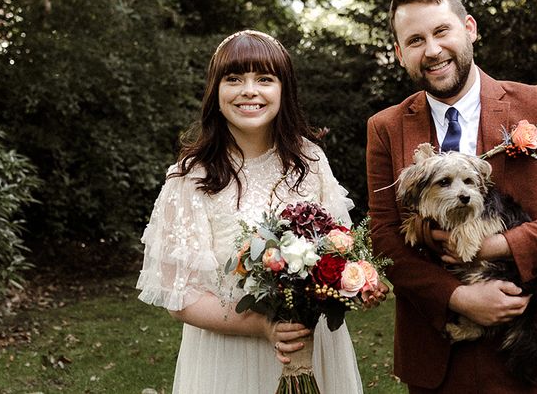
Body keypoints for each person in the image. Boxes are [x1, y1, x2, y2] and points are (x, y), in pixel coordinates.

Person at [366, 0, 537, 394]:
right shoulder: (385, 128)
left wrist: (498, 247)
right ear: (399, 54)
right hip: (440, 345)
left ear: (470, 28)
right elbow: (385, 239)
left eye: (441, 31)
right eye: (414, 40)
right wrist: (458, 298)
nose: (431, 50)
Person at [137, 30, 374, 394]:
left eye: (264, 79)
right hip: (227, 356)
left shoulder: (310, 162)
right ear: (215, 93)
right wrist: (262, 327)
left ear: (284, 90)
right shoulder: (190, 177)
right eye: (234, 79)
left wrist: (353, 285)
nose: (250, 90)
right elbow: (178, 297)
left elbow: (341, 251)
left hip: (311, 349)